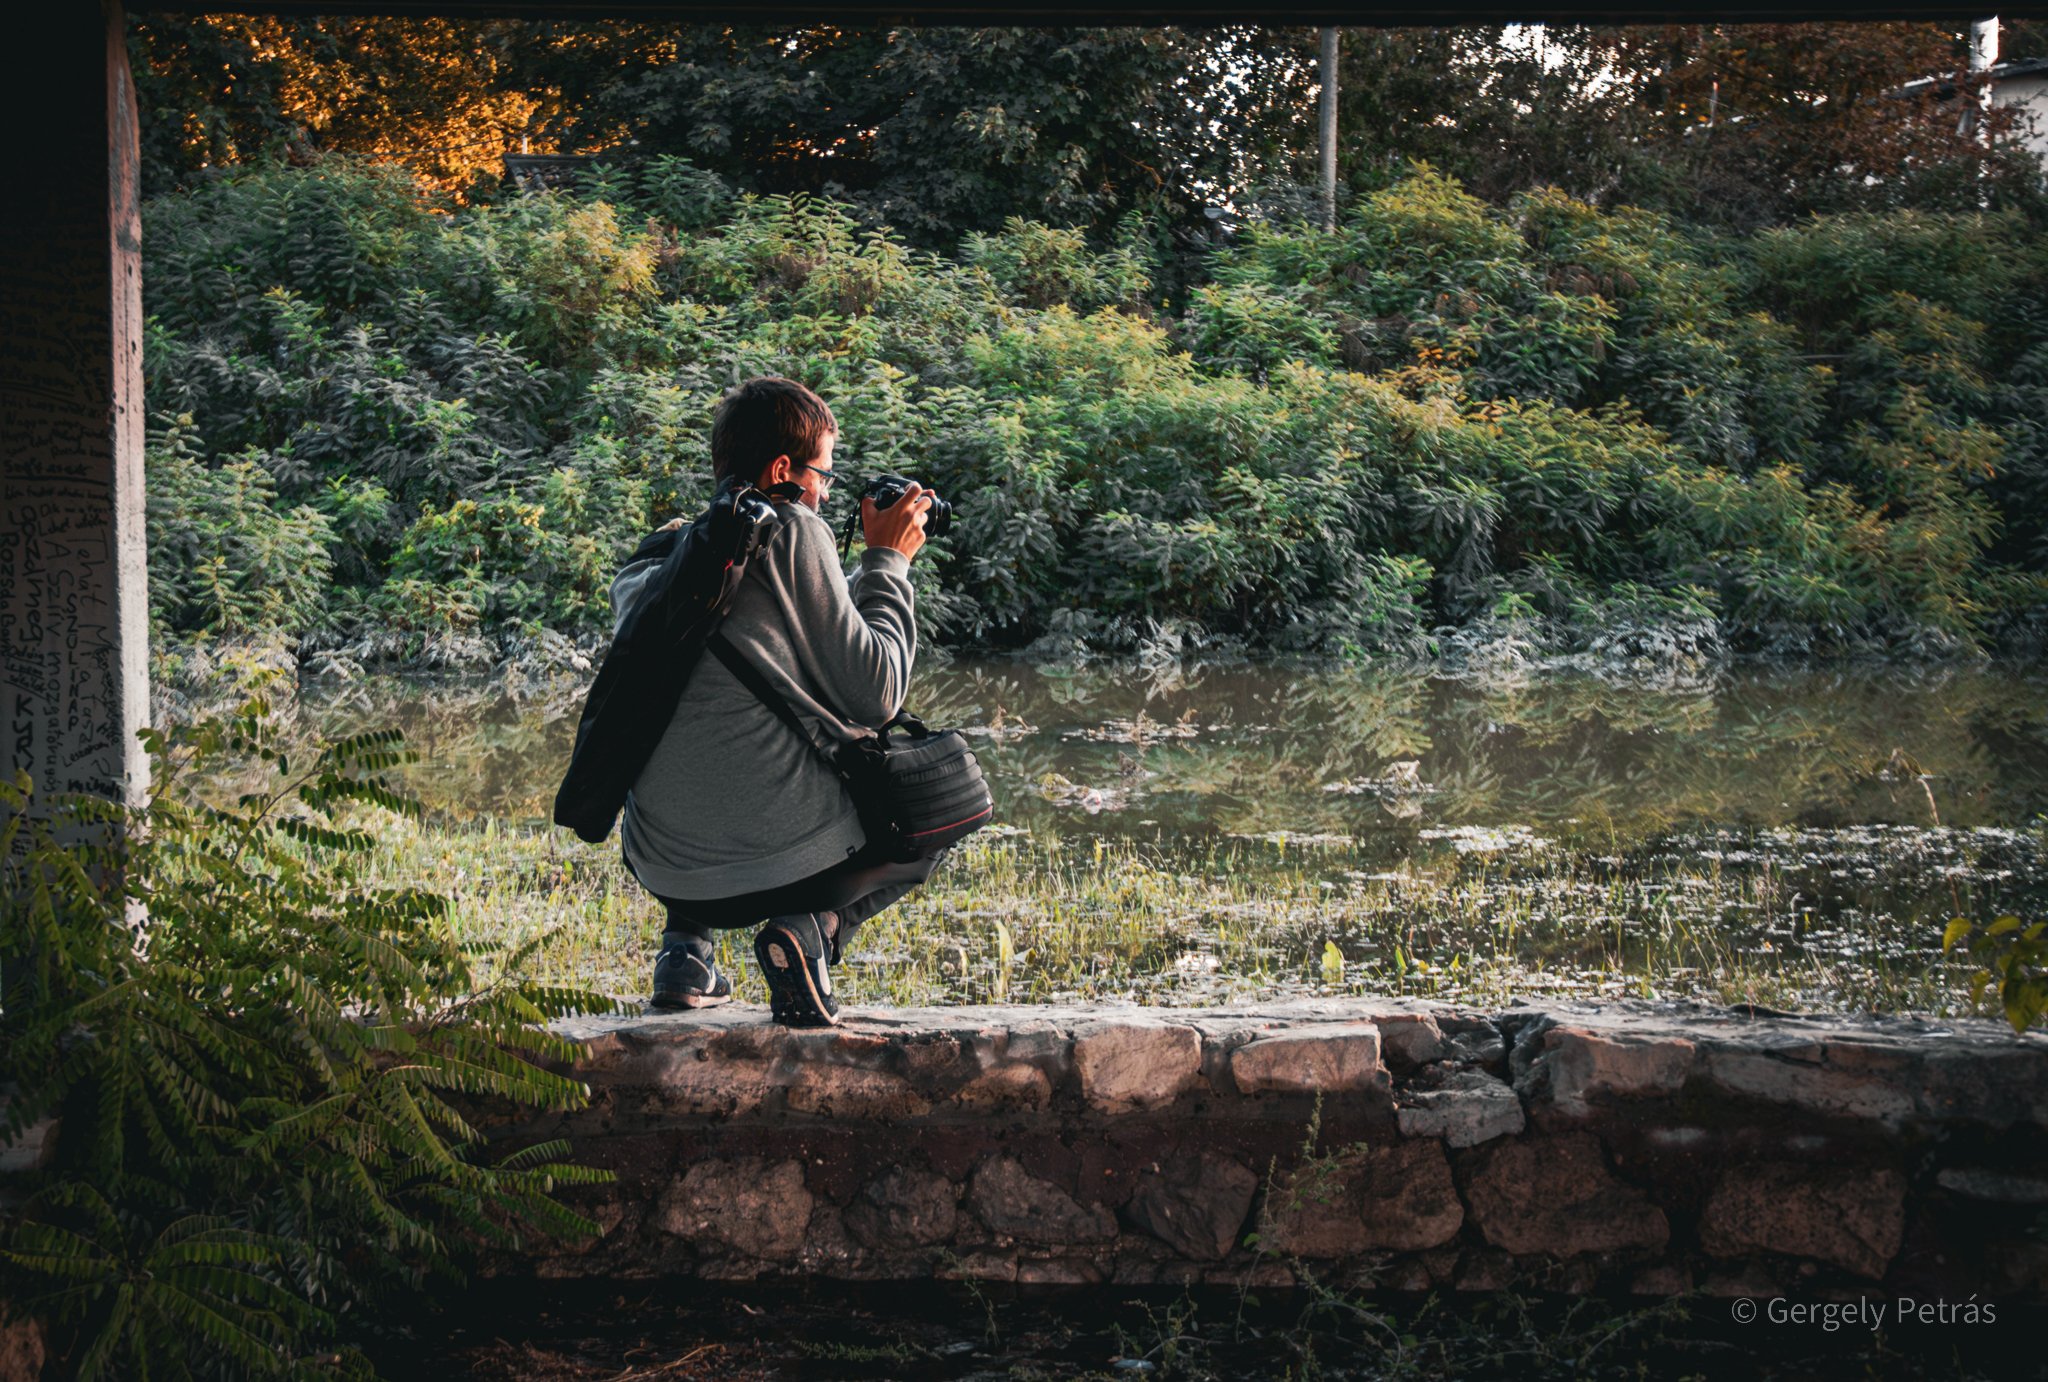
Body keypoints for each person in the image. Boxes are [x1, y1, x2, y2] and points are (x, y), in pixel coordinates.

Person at [615, 376, 937, 1027]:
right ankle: (810, 929)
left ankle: (684, 957)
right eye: (824, 474)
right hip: (771, 868)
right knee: (946, 797)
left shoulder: (663, 556)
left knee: (707, 729)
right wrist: (888, 562)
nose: (825, 493)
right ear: (783, 469)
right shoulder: (796, 525)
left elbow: (756, 640)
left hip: (663, 865)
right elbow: (875, 694)